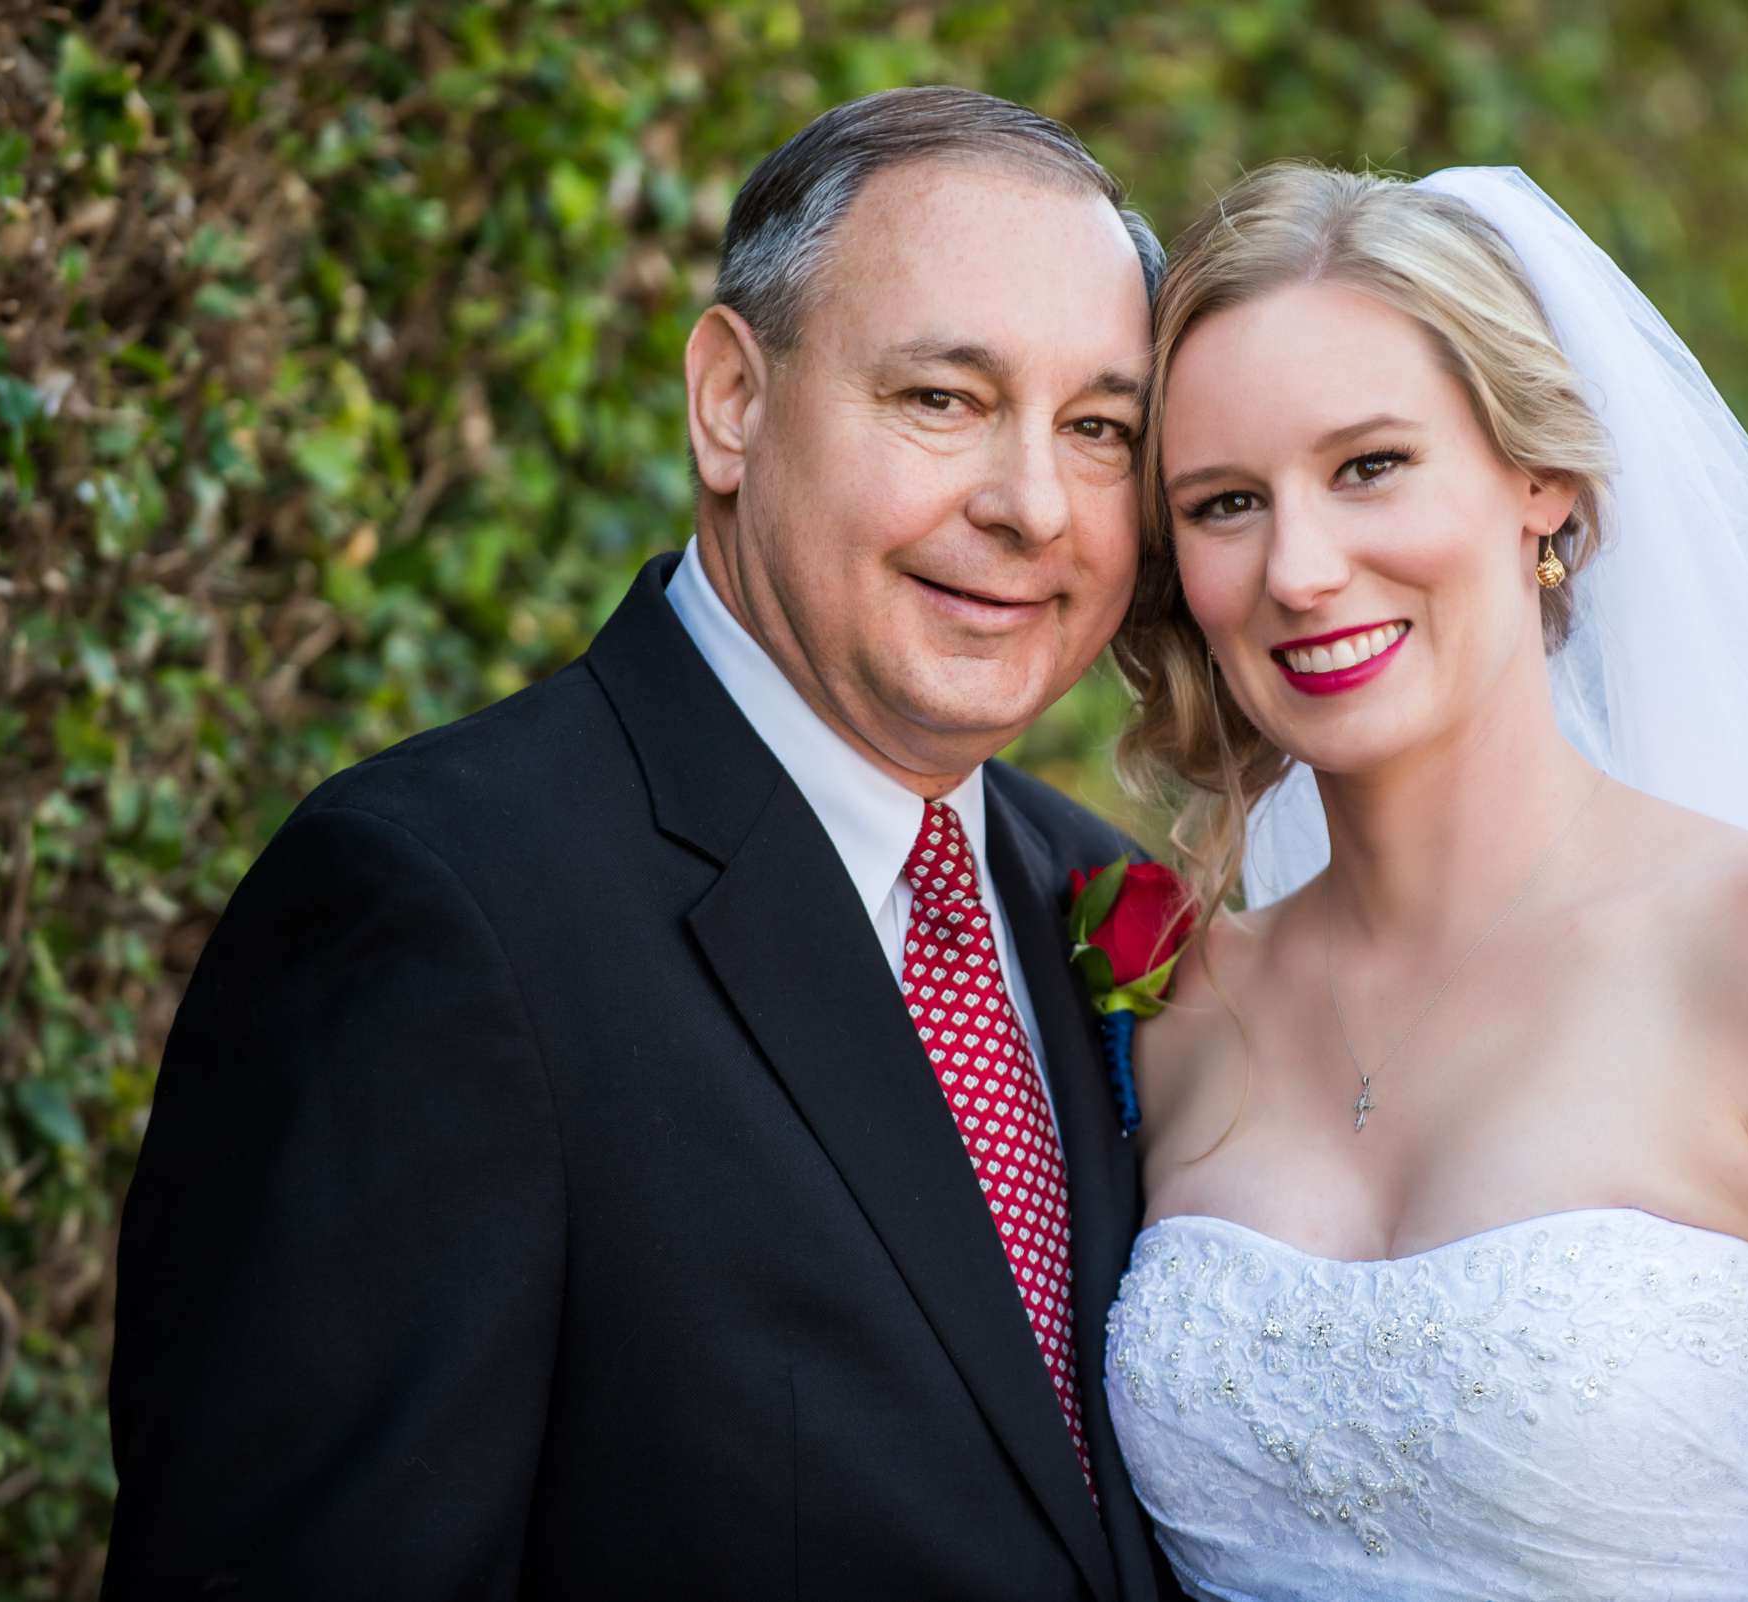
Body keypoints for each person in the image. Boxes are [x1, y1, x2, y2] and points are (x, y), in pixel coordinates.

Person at [105, 87, 1181, 1600]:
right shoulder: (436, 910)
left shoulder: (1102, 902)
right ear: (731, 400)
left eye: (1097, 431)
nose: (1030, 506)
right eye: (942, 399)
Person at [1102, 163, 1748, 1599]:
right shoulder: (1173, 1012)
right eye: (1223, 503)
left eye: (1372, 465)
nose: (1304, 566)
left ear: (1542, 484)